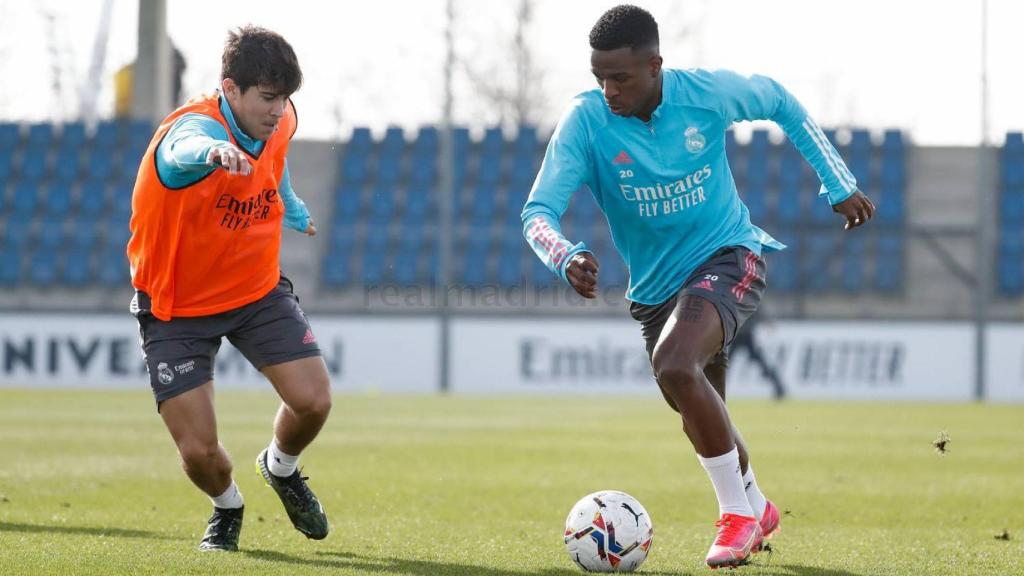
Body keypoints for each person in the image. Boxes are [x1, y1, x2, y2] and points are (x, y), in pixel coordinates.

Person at [522, 5, 874, 568]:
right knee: (700, 409)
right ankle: (756, 504)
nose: (608, 90)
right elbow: (538, 211)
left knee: (675, 364)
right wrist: (564, 254)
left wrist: (838, 181)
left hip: (729, 254)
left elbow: (779, 99)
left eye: (621, 77)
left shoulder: (706, 95)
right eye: (599, 78)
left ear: (655, 65)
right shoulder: (586, 121)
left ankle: (735, 517)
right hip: (656, 293)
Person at [126, 25, 331, 552]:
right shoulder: (190, 130)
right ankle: (227, 507)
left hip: (254, 289)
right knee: (200, 454)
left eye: (285, 98)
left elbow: (277, 165)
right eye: (267, 97)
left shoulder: (278, 121)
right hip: (176, 306)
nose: (278, 109)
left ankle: (280, 468)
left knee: (313, 402)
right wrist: (214, 154)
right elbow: (182, 150)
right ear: (230, 89)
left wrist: (292, 204)